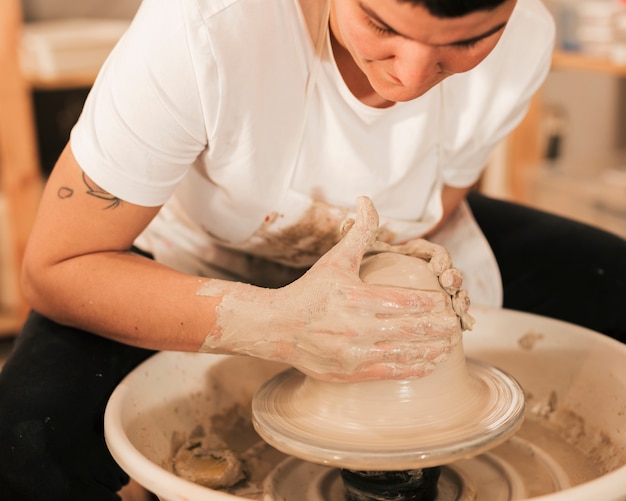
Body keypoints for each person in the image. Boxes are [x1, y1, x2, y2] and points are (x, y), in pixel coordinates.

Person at [1, 0, 625, 499]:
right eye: (381, 25)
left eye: (465, 44)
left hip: (382, 246)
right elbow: (55, 269)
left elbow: (439, 205)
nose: (409, 78)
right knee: (23, 454)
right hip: (188, 260)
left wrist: (409, 265)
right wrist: (276, 323)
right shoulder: (206, 27)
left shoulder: (524, 39)